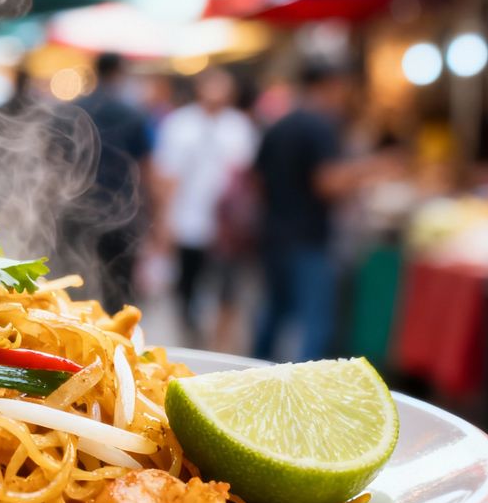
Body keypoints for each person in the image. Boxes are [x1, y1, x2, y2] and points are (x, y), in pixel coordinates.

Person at [251, 61, 358, 362]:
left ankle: (253, 377)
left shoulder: (279, 125)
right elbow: (327, 183)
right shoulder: (321, 126)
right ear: (331, 85)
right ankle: (307, 390)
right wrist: (368, 173)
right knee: (315, 321)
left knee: (274, 311)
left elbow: (256, 178)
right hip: (308, 237)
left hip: (273, 232)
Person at [153, 68, 258, 345]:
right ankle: (191, 333)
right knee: (187, 284)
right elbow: (167, 175)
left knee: (227, 287)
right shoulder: (180, 124)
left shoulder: (239, 126)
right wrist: (165, 221)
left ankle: (218, 341)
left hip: (227, 228)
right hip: (188, 220)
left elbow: (245, 176)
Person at [71, 52, 152, 311]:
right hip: (121, 216)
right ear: (119, 74)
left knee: (76, 289)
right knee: (118, 292)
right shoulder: (133, 114)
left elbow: (53, 164)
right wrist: (155, 217)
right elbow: (147, 168)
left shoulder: (73, 111)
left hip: (75, 213)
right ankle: (114, 345)